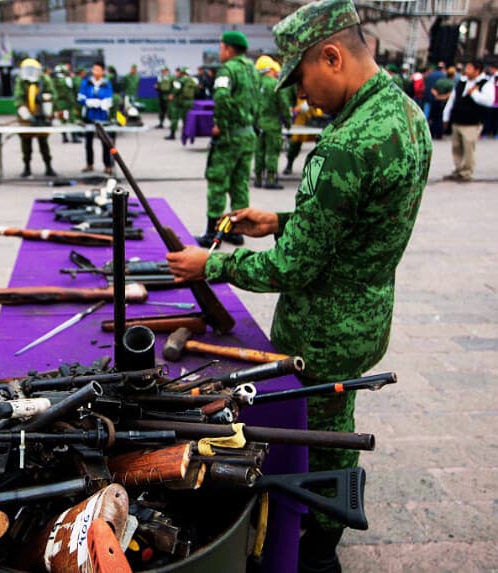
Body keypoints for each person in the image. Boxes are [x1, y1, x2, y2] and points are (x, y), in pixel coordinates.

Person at [167, 1, 431, 569]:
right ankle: (322, 524)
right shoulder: (405, 114)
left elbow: (290, 268)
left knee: (321, 436)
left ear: (331, 56)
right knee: (338, 422)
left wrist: (209, 267)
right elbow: (360, 222)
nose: (300, 95)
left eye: (302, 77)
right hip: (366, 315)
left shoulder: (343, 144)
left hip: (321, 332)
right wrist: (279, 220)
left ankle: (318, 548)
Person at [195, 31, 259, 248]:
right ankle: (236, 232)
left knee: (217, 182)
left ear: (229, 49)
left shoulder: (228, 70)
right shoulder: (252, 70)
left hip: (230, 137)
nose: (220, 52)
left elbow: (221, 98)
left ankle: (212, 233)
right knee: (240, 183)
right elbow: (257, 102)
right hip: (248, 135)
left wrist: (221, 123)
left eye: (221, 48)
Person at [441, 58, 495, 182]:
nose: (467, 70)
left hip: (472, 122)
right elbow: (452, 100)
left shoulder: (485, 83)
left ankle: (466, 172)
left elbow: (488, 101)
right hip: (457, 120)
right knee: (456, 147)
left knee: (468, 148)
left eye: (470, 68)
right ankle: (458, 169)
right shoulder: (462, 82)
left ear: (477, 70)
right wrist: (446, 116)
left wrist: (474, 94)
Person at [13, 58, 58, 178]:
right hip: (26, 119)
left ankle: (48, 167)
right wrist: (26, 115)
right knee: (26, 144)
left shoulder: (44, 80)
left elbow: (52, 95)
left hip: (42, 116)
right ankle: (26, 167)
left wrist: (46, 105)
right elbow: (19, 99)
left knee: (44, 143)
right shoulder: (21, 81)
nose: (30, 72)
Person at [253, 56, 292, 189]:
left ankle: (258, 179)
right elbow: (284, 105)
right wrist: (288, 122)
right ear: (269, 69)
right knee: (272, 152)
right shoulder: (275, 84)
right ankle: (270, 180)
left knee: (259, 151)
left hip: (258, 125)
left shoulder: (254, 84)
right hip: (272, 125)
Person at [78, 61, 115, 175]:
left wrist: (103, 103)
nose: (95, 72)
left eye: (98, 70)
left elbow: (109, 98)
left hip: (102, 117)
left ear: (103, 71)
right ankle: (89, 164)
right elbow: (80, 97)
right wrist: (88, 102)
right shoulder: (86, 82)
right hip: (89, 116)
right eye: (94, 69)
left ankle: (107, 165)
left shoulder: (106, 83)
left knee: (105, 142)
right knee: (88, 142)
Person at [165, 68, 198, 141]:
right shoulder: (193, 81)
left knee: (175, 117)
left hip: (180, 102)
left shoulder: (181, 80)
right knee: (186, 119)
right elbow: (197, 90)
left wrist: (172, 95)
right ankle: (186, 135)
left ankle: (172, 134)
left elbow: (176, 88)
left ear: (182, 73)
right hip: (190, 101)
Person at [429, 66, 455, 139]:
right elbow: (451, 94)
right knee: (441, 118)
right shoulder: (452, 83)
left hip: (436, 101)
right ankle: (439, 134)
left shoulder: (440, 80)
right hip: (444, 102)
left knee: (434, 118)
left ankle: (432, 133)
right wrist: (442, 97)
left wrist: (437, 96)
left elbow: (433, 90)